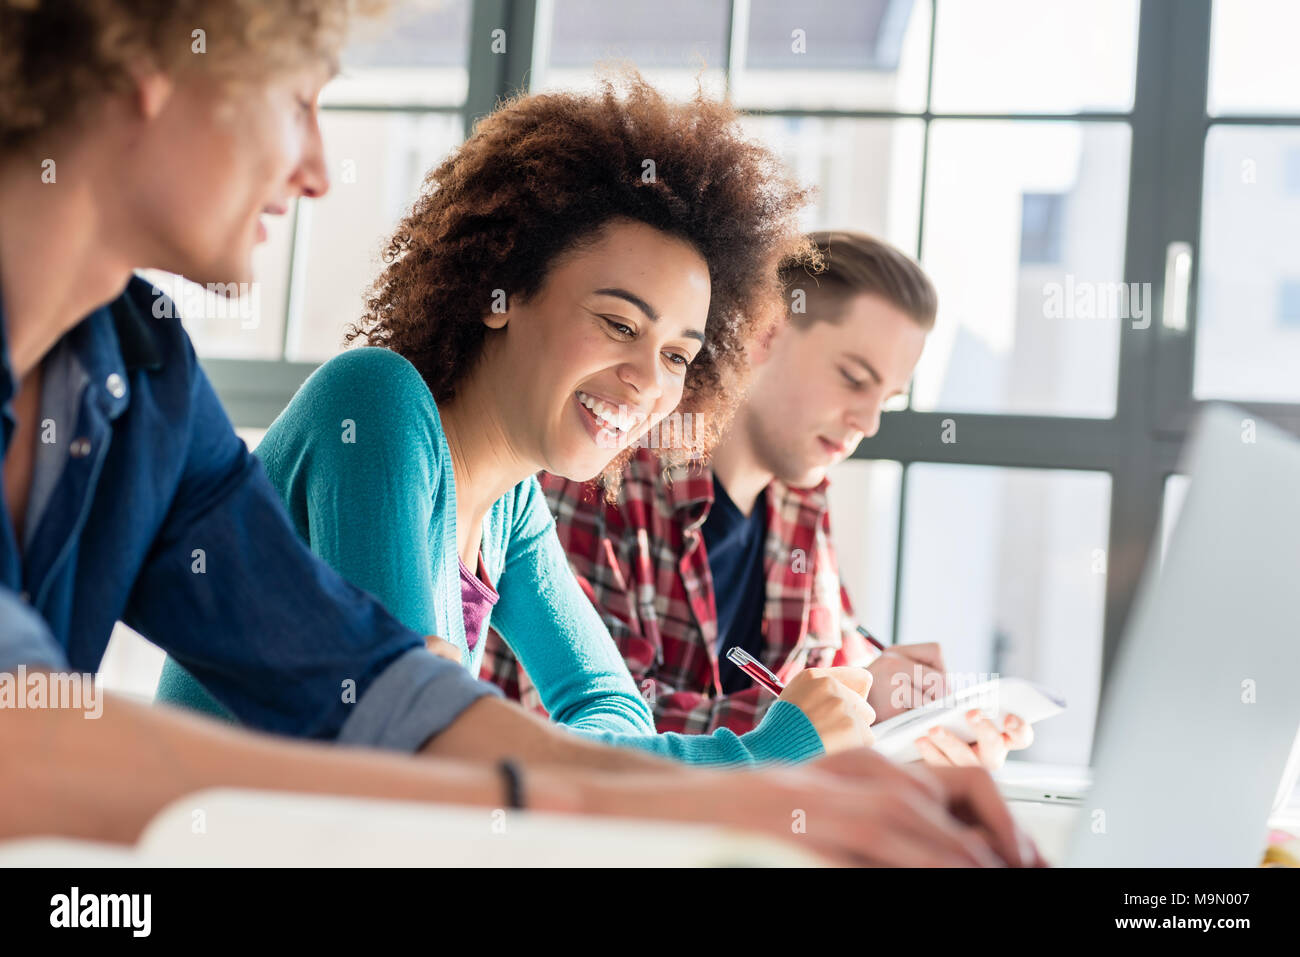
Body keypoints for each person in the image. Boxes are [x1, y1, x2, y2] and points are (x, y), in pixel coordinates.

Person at [0, 0, 1039, 865]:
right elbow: (25, 744)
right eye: (297, 100)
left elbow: (378, 693)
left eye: (678, 352)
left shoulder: (144, 379)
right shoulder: (379, 408)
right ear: (145, 60)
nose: (318, 168)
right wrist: (702, 787)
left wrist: (748, 796)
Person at [158, 70, 883, 767]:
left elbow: (612, 706)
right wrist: (761, 754)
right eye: (618, 323)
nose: (645, 381)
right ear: (498, 292)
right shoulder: (375, 405)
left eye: (676, 355)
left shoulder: (511, 503)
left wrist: (477, 722)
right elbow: (417, 754)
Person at [483, 231, 1034, 769]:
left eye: (886, 398)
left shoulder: (804, 500)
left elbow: (833, 673)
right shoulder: (600, 467)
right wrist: (829, 718)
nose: (868, 423)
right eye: (852, 378)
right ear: (765, 335)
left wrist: (917, 717)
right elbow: (600, 736)